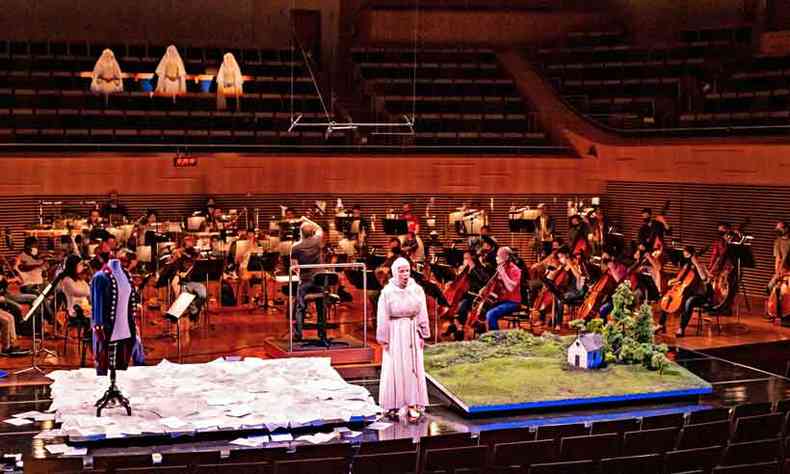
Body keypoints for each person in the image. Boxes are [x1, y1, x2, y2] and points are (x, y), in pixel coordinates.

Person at [376, 257, 430, 423]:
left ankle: (413, 402)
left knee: (413, 367)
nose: (405, 274)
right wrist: (384, 338)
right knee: (396, 366)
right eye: (401, 271)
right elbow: (382, 316)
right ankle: (394, 403)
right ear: (394, 272)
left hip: (412, 331)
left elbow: (422, 311)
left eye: (407, 270)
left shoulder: (417, 289)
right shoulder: (387, 292)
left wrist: (423, 332)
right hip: (395, 332)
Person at [658, 246, 711, 337]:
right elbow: (681, 279)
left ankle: (681, 328)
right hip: (686, 291)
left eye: (687, 254)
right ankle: (660, 324)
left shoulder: (701, 265)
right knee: (668, 298)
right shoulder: (686, 266)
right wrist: (674, 280)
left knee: (688, 302)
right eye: (684, 254)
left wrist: (696, 263)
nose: (685, 257)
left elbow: (704, 278)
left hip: (700, 294)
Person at [443, 250, 490, 341]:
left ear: (472, 259)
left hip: (475, 297)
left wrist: (473, 269)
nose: (464, 261)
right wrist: (452, 282)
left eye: (466, 259)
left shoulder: (480, 269)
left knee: (462, 305)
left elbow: (485, 281)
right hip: (466, 295)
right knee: (452, 303)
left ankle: (459, 328)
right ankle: (456, 325)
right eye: (464, 259)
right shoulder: (466, 270)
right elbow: (460, 283)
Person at [291, 217, 324, 342]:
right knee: (321, 305)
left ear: (301, 233)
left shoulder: (295, 247)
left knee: (300, 306)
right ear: (312, 232)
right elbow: (319, 228)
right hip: (320, 280)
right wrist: (307, 219)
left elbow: (295, 267)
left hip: (305, 281)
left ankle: (298, 334)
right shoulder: (317, 240)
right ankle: (321, 333)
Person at [482, 247, 522, 332]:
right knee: (481, 309)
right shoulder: (500, 268)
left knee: (491, 314)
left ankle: (496, 338)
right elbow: (495, 287)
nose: (496, 258)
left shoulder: (515, 270)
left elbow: (511, 288)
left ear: (506, 257)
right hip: (501, 300)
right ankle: (482, 333)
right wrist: (485, 289)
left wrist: (503, 274)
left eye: (498, 256)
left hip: (513, 302)